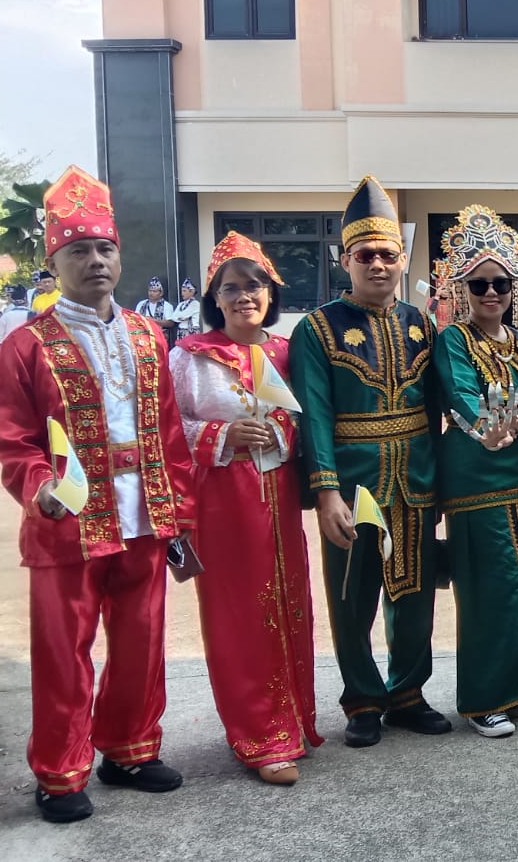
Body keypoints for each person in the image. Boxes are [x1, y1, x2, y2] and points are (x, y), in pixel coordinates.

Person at [0, 165, 196, 823]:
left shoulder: (148, 335)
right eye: (79, 250)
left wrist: (181, 514)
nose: (96, 261)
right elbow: (15, 440)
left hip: (144, 514)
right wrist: (39, 486)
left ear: (120, 256)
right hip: (67, 522)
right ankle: (59, 773)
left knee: (141, 642)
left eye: (105, 248)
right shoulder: (25, 345)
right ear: (54, 262)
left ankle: (129, 750)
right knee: (63, 653)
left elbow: (170, 433)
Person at [290, 175, 451, 747]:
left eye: (388, 254)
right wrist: (325, 491)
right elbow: (313, 414)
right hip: (352, 487)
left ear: (403, 259)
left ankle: (407, 694)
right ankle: (362, 700)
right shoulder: (316, 329)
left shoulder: (423, 324)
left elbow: (439, 409)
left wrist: (444, 483)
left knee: (414, 596)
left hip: (416, 481)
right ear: (345, 260)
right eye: (365, 255)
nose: (378, 265)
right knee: (351, 597)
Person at [170, 231, 321, 783]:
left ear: (270, 293)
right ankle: (258, 737)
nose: (244, 296)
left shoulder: (286, 353)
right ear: (215, 297)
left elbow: (310, 418)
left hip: (279, 499)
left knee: (289, 606)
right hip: (223, 502)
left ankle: (295, 722)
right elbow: (168, 428)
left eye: (255, 285)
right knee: (238, 615)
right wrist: (222, 434)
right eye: (231, 287)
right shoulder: (189, 357)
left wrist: (282, 428)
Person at [432, 205, 518, 736]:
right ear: (463, 289)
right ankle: (484, 700)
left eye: (500, 283)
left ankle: (515, 686)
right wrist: (487, 428)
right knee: (490, 588)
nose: (490, 293)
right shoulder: (454, 339)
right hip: (476, 480)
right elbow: (460, 393)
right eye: (478, 284)